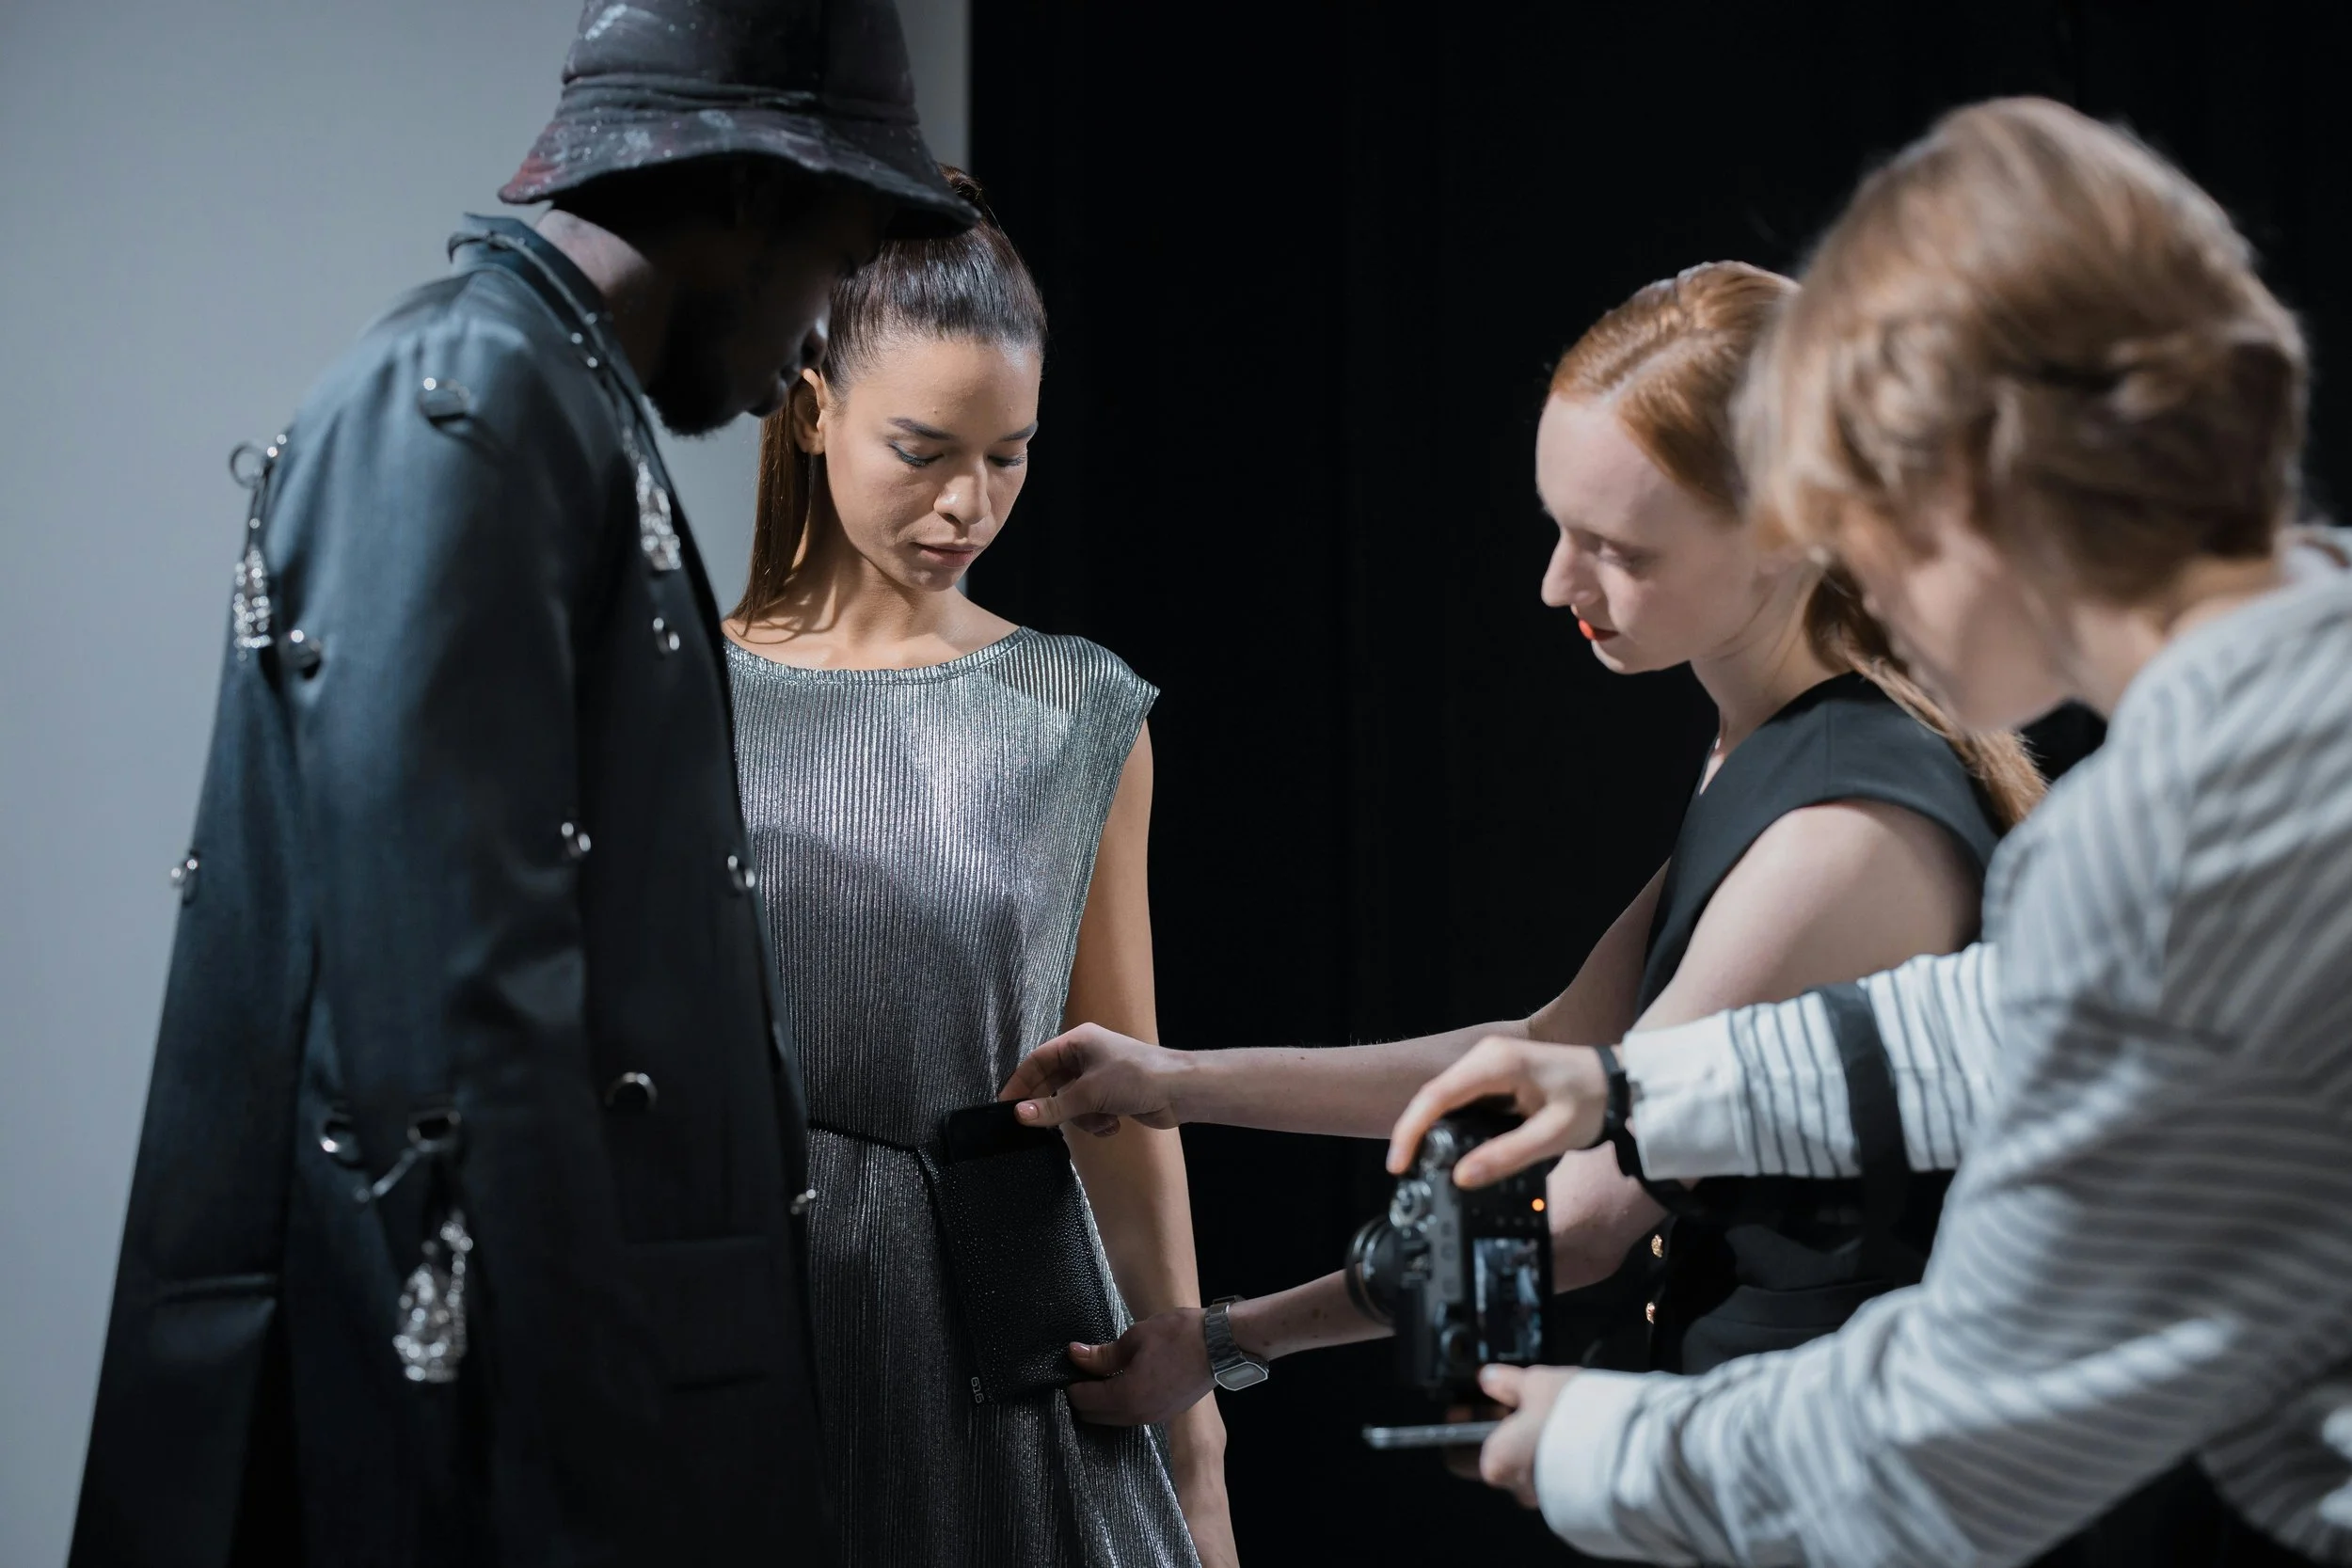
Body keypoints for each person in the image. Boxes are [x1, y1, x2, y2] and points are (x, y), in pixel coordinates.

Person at [69, 4, 976, 1563]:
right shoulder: (468, 408)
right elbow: (453, 1021)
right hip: (495, 1477)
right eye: (835, 262)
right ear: (748, 195)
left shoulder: (548, 404)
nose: (818, 335)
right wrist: (581, 1484)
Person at [1394, 98, 2352, 1568]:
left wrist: (1598, 1441)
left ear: (1975, 488)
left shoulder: (2178, 842)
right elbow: (2029, 1018)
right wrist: (1629, 1087)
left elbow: (1968, 1443)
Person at [994, 263, 2042, 1420]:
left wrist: (1231, 1340)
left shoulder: (1838, 833)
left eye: (1620, 550)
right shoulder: (1779, 760)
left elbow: (1585, 1220)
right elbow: (1551, 1048)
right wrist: (1170, 1083)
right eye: (1560, 527)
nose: (1557, 583)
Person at [723, 173, 1234, 1566]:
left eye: (1009, 453)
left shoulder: (1077, 712)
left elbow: (1122, 1100)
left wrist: (1200, 1449)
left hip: (999, 1337)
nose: (971, 500)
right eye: (925, 446)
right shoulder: (671, 698)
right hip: (737, 1323)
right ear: (815, 402)